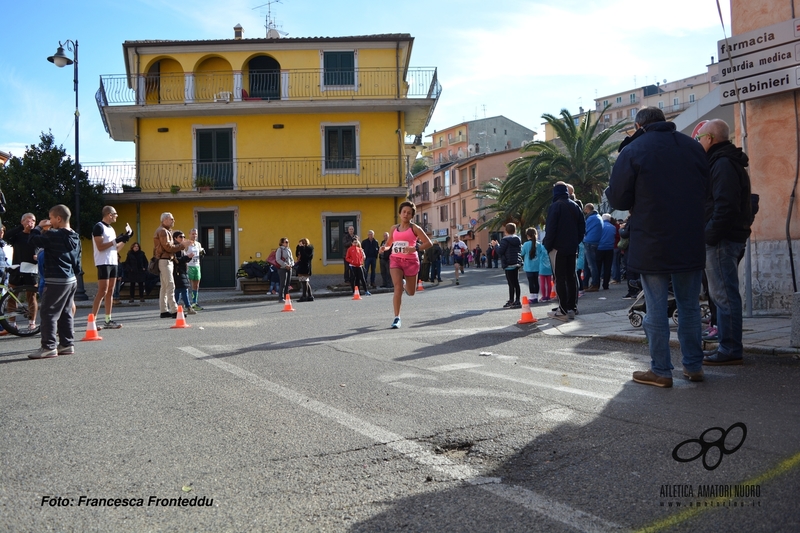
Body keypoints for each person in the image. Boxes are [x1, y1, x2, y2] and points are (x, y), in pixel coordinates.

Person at [606, 107, 709, 387]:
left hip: (652, 239)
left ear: (639, 125)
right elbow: (707, 189)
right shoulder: (692, 146)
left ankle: (661, 370)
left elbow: (619, 199)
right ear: (665, 122)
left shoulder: (634, 150)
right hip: (688, 237)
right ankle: (694, 365)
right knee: (689, 306)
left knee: (655, 306)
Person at [696, 119, 752, 366]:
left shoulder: (722, 164)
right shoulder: (725, 161)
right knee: (724, 295)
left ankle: (730, 349)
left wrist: (708, 236)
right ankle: (729, 347)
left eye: (700, 138)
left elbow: (725, 206)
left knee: (725, 296)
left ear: (709, 138)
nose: (698, 143)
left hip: (721, 240)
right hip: (724, 237)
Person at [26, 205, 81, 359]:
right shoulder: (75, 236)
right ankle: (67, 344)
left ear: (58, 218)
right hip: (71, 279)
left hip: (56, 279)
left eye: (50, 218)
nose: (49, 221)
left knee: (48, 312)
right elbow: (77, 261)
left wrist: (37, 227)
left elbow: (33, 241)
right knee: (65, 312)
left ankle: (48, 346)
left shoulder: (54, 234)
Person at [380, 201, 432, 328]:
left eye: (409, 213)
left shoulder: (415, 228)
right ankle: (397, 318)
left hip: (411, 261)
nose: (406, 214)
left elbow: (429, 243)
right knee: (397, 288)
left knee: (411, 292)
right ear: (400, 213)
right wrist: (384, 248)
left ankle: (405, 284)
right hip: (396, 260)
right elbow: (389, 244)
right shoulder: (394, 228)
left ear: (411, 216)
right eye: (404, 212)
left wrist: (415, 248)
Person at [543, 182, 585, 320]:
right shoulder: (575, 206)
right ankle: (572, 307)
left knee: (559, 278)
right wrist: (575, 241)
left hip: (558, 248)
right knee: (571, 277)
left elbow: (551, 229)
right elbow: (581, 227)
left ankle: (562, 310)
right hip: (572, 247)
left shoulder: (555, 206)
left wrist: (548, 246)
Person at [92, 206, 132, 329]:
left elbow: (115, 248)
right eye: (115, 214)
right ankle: (92, 321)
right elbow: (100, 246)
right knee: (102, 291)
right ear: (109, 214)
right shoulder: (98, 227)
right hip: (103, 262)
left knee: (110, 291)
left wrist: (125, 239)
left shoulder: (111, 229)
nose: (116, 216)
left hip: (113, 261)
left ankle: (108, 320)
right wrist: (116, 240)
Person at [5, 213, 40, 331]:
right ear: (22, 222)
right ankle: (12, 322)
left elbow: (44, 246)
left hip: (31, 270)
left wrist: (38, 255)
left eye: (33, 221)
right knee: (12, 296)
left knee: (32, 296)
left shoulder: (37, 235)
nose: (31, 223)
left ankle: (32, 322)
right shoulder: (18, 235)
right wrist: (22, 228)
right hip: (17, 269)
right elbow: (6, 235)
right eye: (28, 221)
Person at [153, 212, 190, 318]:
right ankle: (174, 310)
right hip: (165, 260)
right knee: (170, 285)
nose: (173, 221)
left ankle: (164, 310)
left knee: (164, 287)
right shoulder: (163, 232)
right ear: (165, 220)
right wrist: (182, 245)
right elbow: (168, 247)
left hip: (164, 260)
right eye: (171, 219)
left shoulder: (163, 231)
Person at [171, 231, 196, 314]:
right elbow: (176, 260)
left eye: (184, 237)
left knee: (181, 290)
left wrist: (189, 258)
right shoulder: (175, 247)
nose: (183, 238)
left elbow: (183, 259)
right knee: (181, 289)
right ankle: (185, 307)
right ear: (175, 238)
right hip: (177, 271)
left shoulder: (181, 247)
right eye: (180, 237)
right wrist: (186, 257)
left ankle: (176, 307)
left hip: (182, 271)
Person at [498, 223, 523, 308]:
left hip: (508, 263)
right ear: (515, 230)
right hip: (516, 262)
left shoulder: (504, 240)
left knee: (510, 283)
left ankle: (511, 300)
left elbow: (500, 251)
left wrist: (496, 246)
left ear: (505, 231)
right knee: (516, 282)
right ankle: (517, 300)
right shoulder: (517, 239)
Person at [582, 203, 603, 292]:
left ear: (588, 209)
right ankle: (585, 284)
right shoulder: (598, 217)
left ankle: (595, 284)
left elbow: (584, 229)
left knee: (591, 265)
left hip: (589, 242)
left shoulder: (590, 218)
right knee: (588, 264)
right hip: (596, 242)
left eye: (585, 210)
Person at [186, 228, 205, 310]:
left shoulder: (198, 244)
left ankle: (194, 302)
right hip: (188, 266)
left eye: (195, 234)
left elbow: (200, 251)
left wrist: (202, 251)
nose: (194, 235)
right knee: (187, 285)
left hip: (197, 265)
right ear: (189, 234)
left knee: (196, 285)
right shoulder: (186, 243)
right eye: (193, 234)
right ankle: (186, 303)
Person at [597, 214, 616, 290]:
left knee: (598, 267)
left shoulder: (600, 226)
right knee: (607, 267)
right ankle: (606, 285)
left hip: (600, 248)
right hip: (610, 248)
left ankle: (596, 284)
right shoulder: (613, 227)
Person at [521, 227, 540, 303]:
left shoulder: (526, 244)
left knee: (531, 282)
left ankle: (532, 297)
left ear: (528, 235)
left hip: (529, 267)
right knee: (536, 282)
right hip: (537, 266)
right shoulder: (539, 244)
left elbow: (522, 253)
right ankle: (536, 297)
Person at [275, 237, 295, 302]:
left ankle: (287, 297)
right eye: (286, 242)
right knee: (283, 283)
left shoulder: (289, 249)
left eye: (288, 242)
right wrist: (285, 265)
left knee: (288, 284)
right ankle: (281, 297)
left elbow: (292, 259)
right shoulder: (279, 249)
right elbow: (278, 259)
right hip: (282, 268)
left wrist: (291, 265)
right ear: (282, 243)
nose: (287, 243)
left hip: (289, 268)